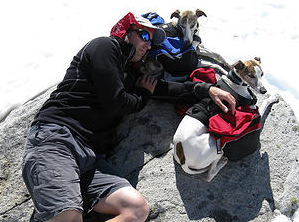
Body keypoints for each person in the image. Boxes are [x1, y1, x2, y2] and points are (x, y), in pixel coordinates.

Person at [22, 12, 236, 222]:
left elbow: (167, 89)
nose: (148, 45)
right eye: (144, 36)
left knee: (136, 210)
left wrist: (207, 90)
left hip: (91, 160)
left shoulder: (130, 75)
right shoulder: (104, 47)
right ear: (126, 30)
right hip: (58, 140)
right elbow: (116, 102)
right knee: (68, 218)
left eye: (151, 42)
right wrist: (142, 94)